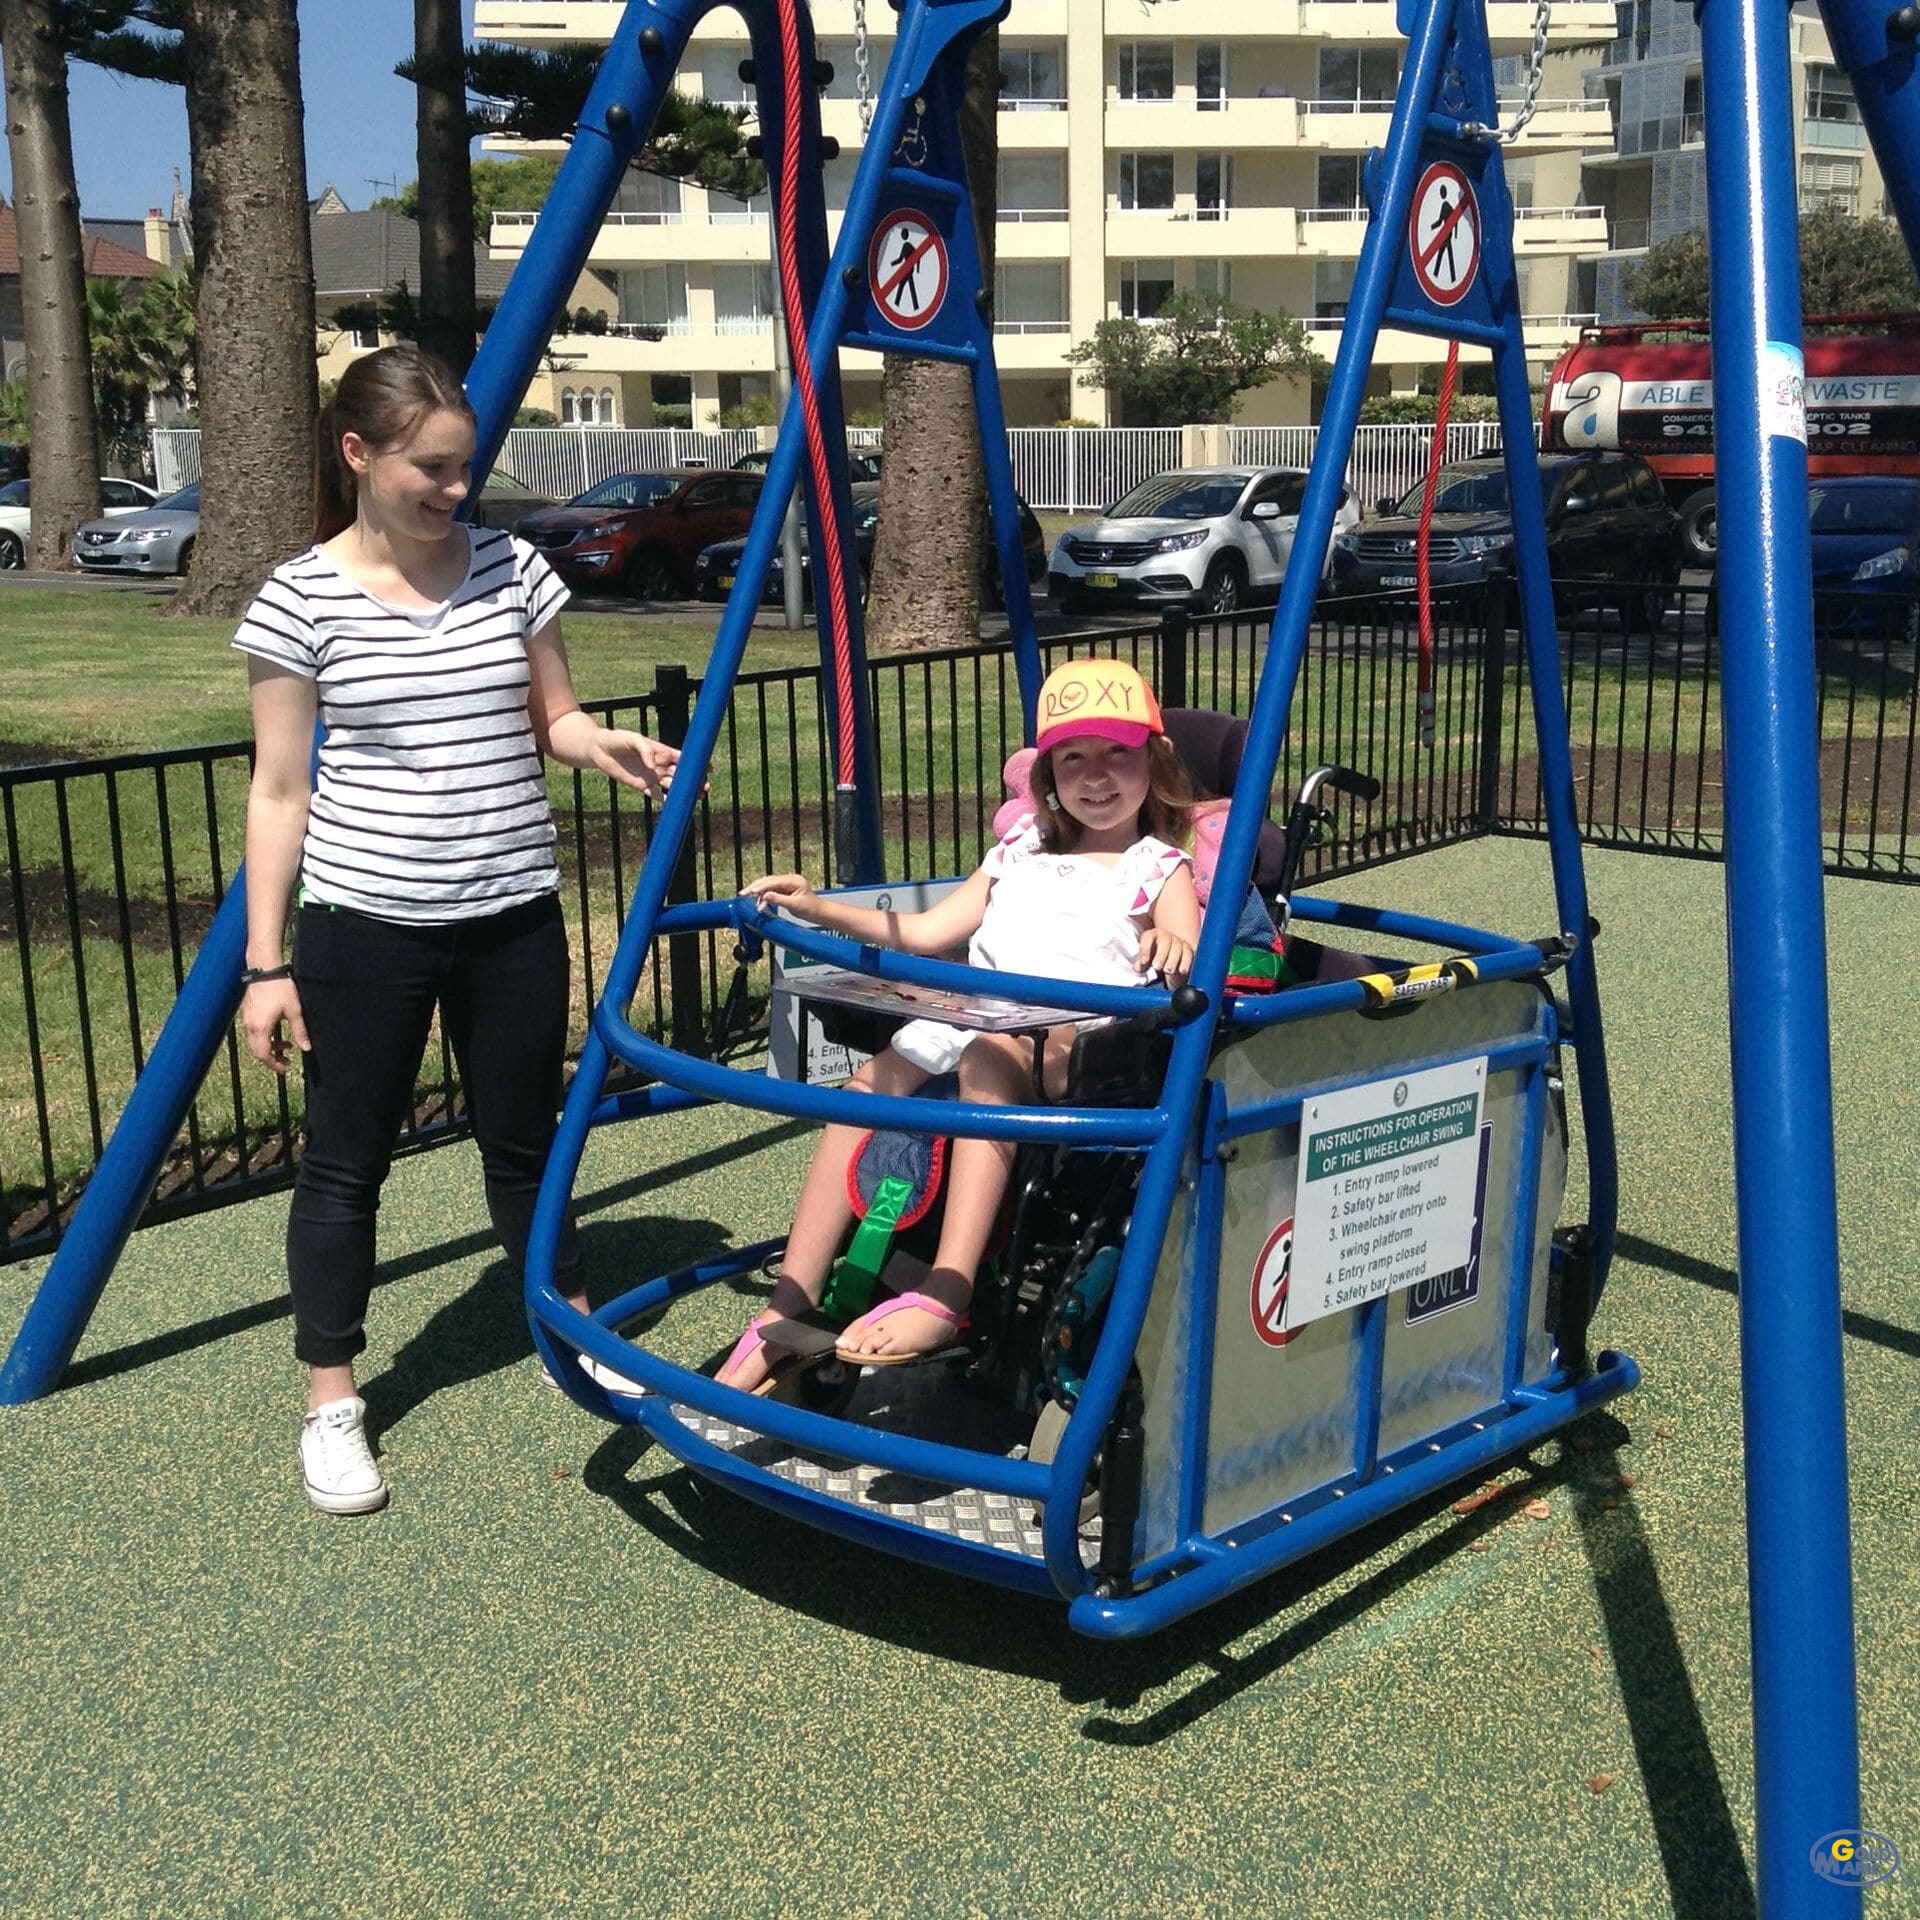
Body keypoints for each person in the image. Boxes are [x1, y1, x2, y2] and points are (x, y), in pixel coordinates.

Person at [233, 345, 681, 1515]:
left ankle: (568, 1320)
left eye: (464, 466)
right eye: (431, 468)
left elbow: (556, 718)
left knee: (526, 1142)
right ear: (357, 454)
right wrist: (266, 965)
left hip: (512, 914)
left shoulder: (510, 568)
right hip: (363, 926)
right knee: (346, 1162)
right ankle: (333, 1399)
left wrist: (603, 744)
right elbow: (279, 791)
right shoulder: (300, 598)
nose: (455, 488)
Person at [721, 657, 1199, 1394]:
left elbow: (1186, 947)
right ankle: (791, 1302)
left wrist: (1170, 942)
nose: (1096, 776)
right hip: (975, 1017)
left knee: (989, 1056)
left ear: (1154, 759)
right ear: (1048, 772)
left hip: (1078, 1042)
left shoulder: (1157, 865)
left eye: (1118, 753)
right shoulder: (1020, 848)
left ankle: (947, 1291)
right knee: (866, 1087)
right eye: (1074, 757)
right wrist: (816, 908)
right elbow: (925, 931)